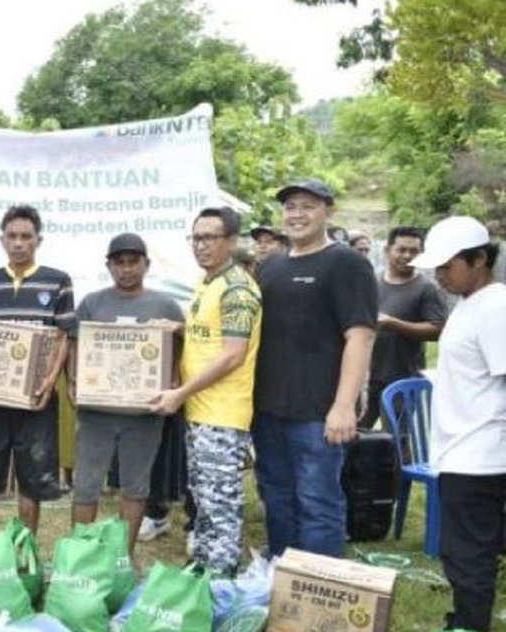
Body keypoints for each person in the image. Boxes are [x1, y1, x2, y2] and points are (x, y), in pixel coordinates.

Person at [253, 180, 377, 559]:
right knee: (277, 501)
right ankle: (283, 585)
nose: (297, 214)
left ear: (328, 211)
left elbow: (361, 336)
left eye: (307, 206)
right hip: (268, 411)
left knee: (319, 505)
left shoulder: (346, 263)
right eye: (290, 206)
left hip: (317, 414)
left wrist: (344, 405)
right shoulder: (270, 267)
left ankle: (320, 598)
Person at [151, 208, 262, 576]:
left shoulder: (237, 290)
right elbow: (210, 336)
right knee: (203, 498)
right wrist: (178, 328)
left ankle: (223, 579)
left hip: (222, 414)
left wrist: (181, 392)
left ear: (231, 241)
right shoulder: (209, 283)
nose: (201, 246)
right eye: (196, 238)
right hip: (201, 412)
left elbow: (233, 354)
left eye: (210, 238)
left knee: (221, 503)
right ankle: (204, 567)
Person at [409, 216, 505, 632]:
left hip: (481, 456)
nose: (440, 276)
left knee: (469, 557)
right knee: (466, 552)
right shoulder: (469, 303)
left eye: (447, 267)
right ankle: (467, 626)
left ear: (479, 259)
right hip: (461, 451)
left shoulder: (496, 307)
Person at [69, 233, 183, 557]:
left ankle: (123, 559)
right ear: (109, 266)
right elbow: (76, 344)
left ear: (146, 264)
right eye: (119, 262)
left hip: (143, 415)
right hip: (96, 414)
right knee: (86, 485)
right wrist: (74, 381)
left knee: (135, 486)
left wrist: (174, 381)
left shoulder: (166, 305)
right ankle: (79, 556)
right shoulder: (92, 302)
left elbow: (180, 350)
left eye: (133, 262)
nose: (126, 269)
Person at [0, 205, 71, 541]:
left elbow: (64, 336)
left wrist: (49, 381)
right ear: (2, 240)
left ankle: (27, 552)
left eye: (26, 236)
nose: (19, 243)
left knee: (34, 478)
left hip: (36, 400)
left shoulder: (58, 282)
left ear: (38, 239)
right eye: (12, 236)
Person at [359, 226, 448, 429]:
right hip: (364, 376)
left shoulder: (427, 288)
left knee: (397, 441)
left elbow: (438, 330)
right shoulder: (370, 281)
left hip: (402, 378)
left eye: (413, 251)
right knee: (355, 436)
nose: (407, 256)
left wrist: (393, 324)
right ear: (388, 250)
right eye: (401, 250)